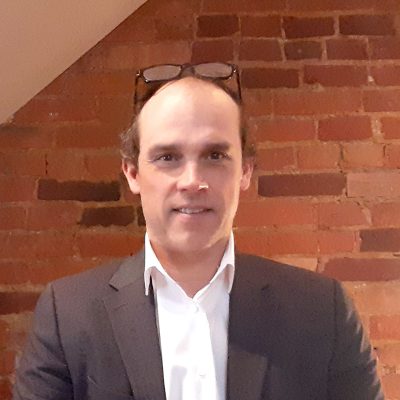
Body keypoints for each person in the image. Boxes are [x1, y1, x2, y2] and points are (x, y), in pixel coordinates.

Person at [13, 63, 384, 400]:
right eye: (168, 157)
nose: (192, 181)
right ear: (133, 173)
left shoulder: (321, 310)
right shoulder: (69, 314)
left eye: (215, 156)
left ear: (245, 171)